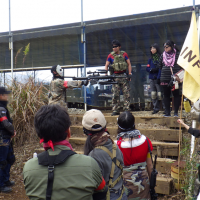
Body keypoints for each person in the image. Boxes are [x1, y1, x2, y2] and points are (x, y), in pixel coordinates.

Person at [23, 105, 107, 200]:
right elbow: (102, 190)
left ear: (40, 137)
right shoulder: (90, 164)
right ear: (68, 132)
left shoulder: (28, 169)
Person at [82, 109, 127, 200]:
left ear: (85, 131)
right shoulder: (114, 145)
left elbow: (93, 186)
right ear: (105, 127)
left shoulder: (93, 155)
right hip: (121, 195)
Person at [116, 111, 153, 199]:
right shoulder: (145, 141)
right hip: (143, 184)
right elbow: (150, 165)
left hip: (124, 185)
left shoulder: (116, 146)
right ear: (134, 124)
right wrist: (151, 185)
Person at [105, 40, 132, 116]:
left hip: (123, 76)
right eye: (113, 47)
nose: (114, 48)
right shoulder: (110, 55)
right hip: (115, 77)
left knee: (126, 94)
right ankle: (116, 109)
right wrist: (106, 74)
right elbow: (106, 65)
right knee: (115, 94)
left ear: (119, 47)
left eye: (116, 46)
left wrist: (129, 74)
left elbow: (129, 64)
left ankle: (127, 109)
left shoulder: (124, 54)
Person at [158, 40, 182, 117]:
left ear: (171, 47)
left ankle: (175, 113)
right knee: (166, 95)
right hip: (165, 77)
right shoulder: (162, 55)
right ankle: (167, 112)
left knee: (176, 94)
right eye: (164, 47)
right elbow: (160, 65)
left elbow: (181, 65)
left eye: (167, 47)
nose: (165, 48)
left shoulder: (177, 55)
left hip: (175, 78)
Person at [0, 87, 16, 193]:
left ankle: (6, 180)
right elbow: (5, 123)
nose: (7, 96)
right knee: (2, 162)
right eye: (5, 94)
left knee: (10, 159)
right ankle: (1, 185)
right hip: (2, 139)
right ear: (1, 95)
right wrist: (13, 131)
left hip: (6, 138)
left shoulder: (3, 107)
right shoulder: (1, 108)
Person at [146, 43, 162, 114]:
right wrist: (151, 70)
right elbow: (147, 68)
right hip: (151, 78)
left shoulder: (160, 57)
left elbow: (160, 68)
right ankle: (156, 108)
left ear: (156, 49)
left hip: (158, 78)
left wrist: (158, 76)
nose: (151, 50)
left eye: (153, 48)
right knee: (153, 94)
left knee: (160, 94)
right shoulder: (150, 58)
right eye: (151, 48)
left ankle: (164, 108)